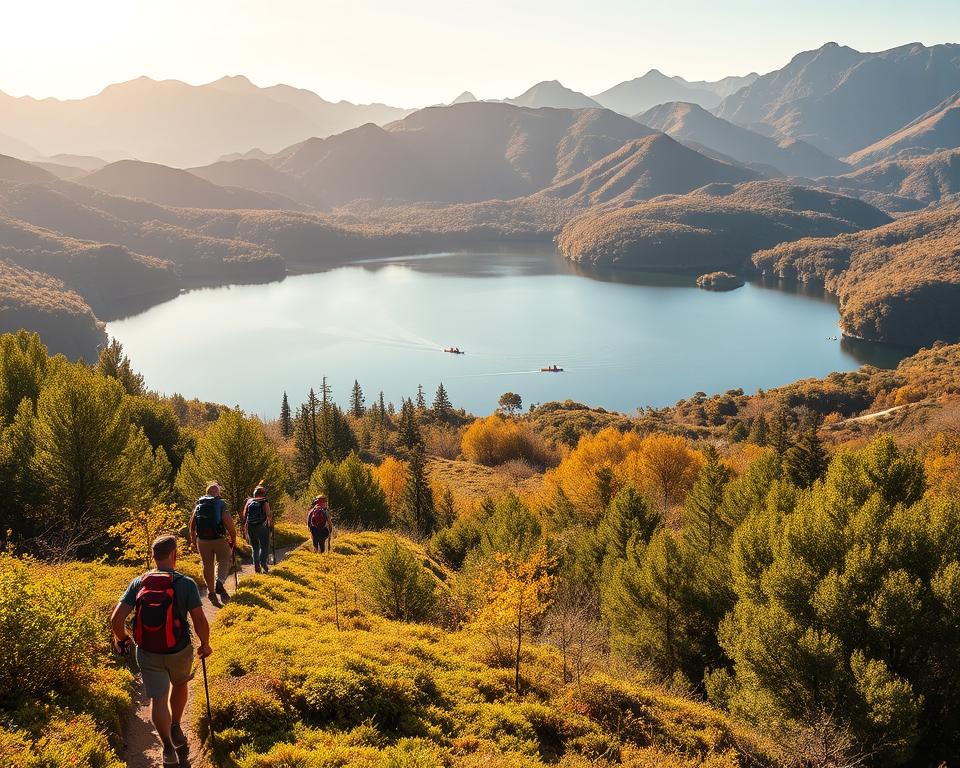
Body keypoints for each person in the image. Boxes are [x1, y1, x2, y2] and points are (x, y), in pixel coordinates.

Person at [111, 534, 212, 767]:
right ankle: (176, 726)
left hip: (147, 652)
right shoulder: (186, 583)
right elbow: (199, 620)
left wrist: (123, 640)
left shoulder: (138, 582)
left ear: (153, 556)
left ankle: (167, 748)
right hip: (179, 650)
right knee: (180, 684)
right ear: (174, 555)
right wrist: (204, 644)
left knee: (158, 699)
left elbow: (117, 619)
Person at [189, 482, 237, 606]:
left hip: (202, 540)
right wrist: (233, 538)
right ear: (218, 493)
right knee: (225, 558)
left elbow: (192, 525)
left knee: (207, 564)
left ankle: (211, 592)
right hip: (219, 539)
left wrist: (194, 540)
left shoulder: (199, 503)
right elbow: (229, 524)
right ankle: (219, 582)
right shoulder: (221, 504)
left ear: (207, 492)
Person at [242, 485, 273, 573]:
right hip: (262, 527)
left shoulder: (249, 501)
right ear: (263, 494)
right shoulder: (264, 501)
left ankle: (256, 567)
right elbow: (268, 515)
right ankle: (263, 563)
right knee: (264, 546)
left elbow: (245, 515)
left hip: (251, 527)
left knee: (255, 547)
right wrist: (271, 525)